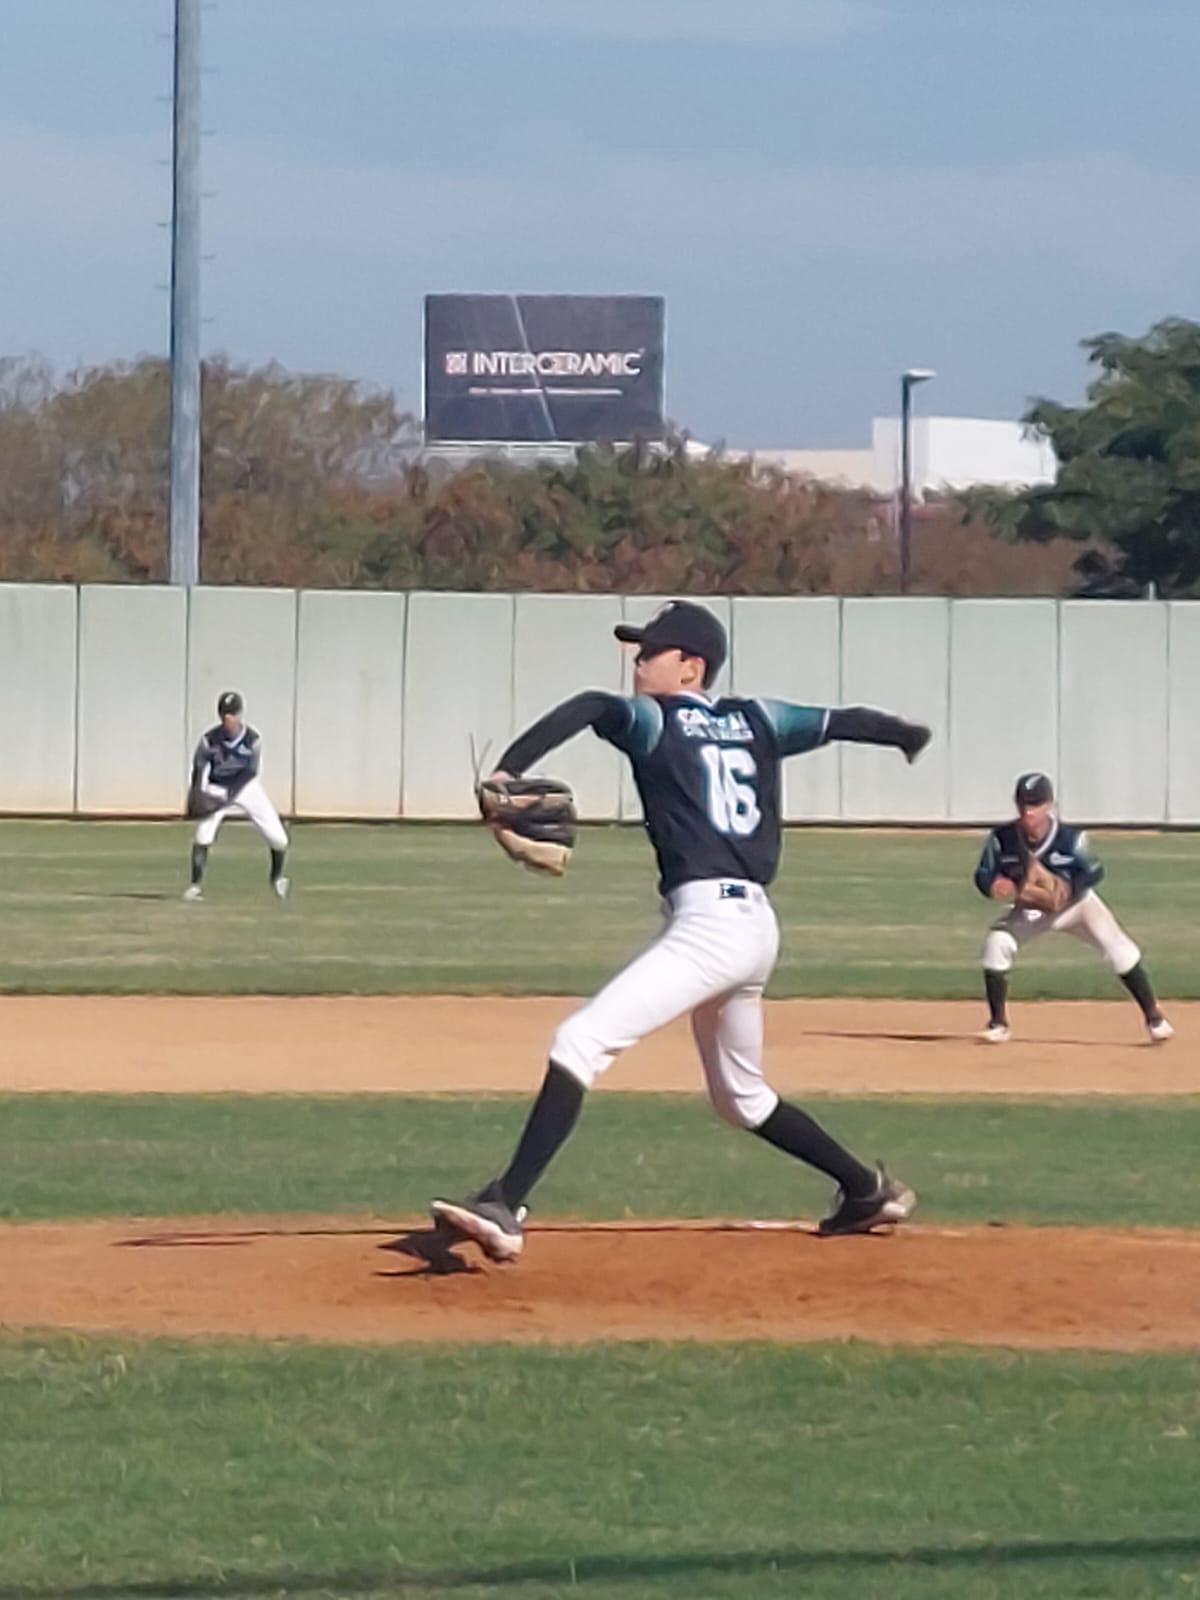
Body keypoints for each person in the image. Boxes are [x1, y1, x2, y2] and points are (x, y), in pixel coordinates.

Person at [431, 599, 931, 1263]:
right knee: (740, 1098)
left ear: (691, 667)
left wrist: (507, 770)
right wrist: (903, 734)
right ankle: (865, 1189)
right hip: (755, 927)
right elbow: (843, 723)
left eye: (651, 653)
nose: (638, 664)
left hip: (711, 927)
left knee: (581, 1040)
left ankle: (505, 1203)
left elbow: (588, 706)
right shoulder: (761, 718)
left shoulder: (655, 721)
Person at [975, 771, 1173, 1045]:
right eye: (1023, 804)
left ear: (1049, 805)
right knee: (996, 943)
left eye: (1034, 804)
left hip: (1077, 906)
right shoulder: (1002, 838)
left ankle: (1155, 1018)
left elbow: (1094, 871)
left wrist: (1069, 888)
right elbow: (983, 874)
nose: (1027, 811)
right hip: (1031, 910)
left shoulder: (1071, 839)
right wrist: (994, 884)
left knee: (1119, 949)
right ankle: (998, 1023)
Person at [183, 690, 290, 902]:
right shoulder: (209, 740)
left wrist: (231, 795)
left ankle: (277, 877)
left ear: (240, 714)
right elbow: (198, 767)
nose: (228, 718)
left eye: (232, 713)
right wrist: (196, 795)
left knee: (279, 839)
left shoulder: (252, 739)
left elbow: (250, 771)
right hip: (218, 786)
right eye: (224, 714)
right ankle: (195, 886)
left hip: (245, 787)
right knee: (203, 835)